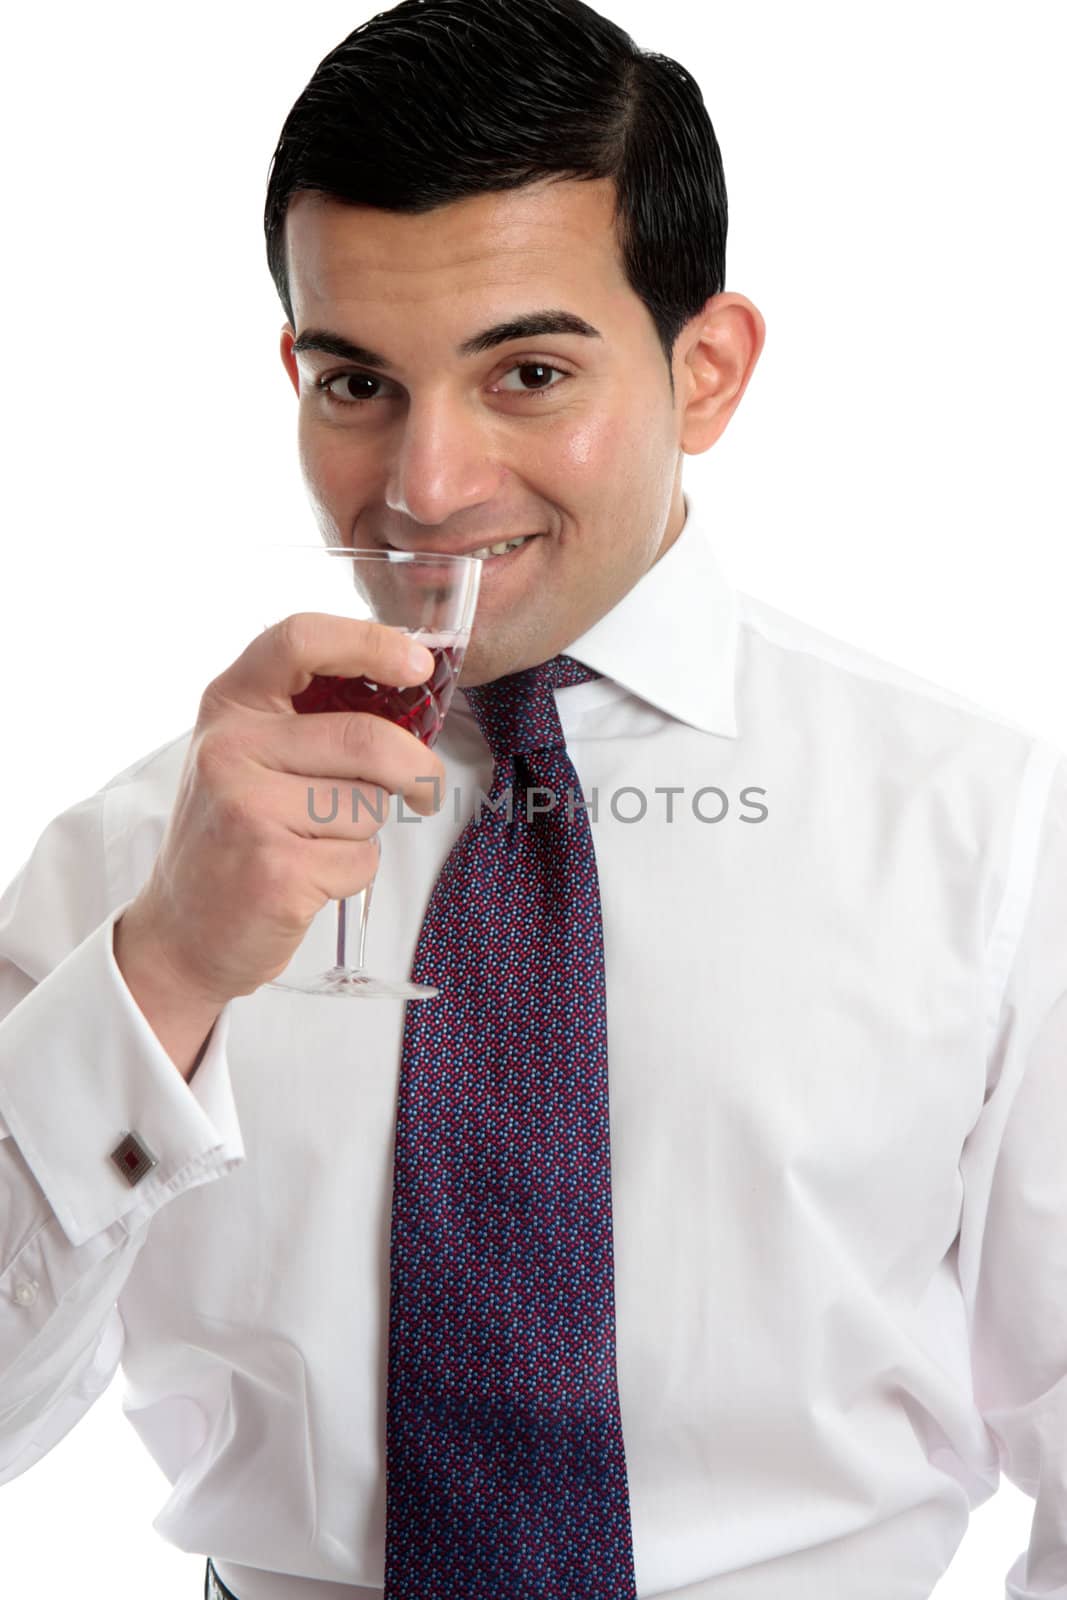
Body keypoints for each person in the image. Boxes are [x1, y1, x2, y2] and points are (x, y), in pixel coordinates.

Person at [1, 0, 1064, 1596]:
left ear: (706, 373)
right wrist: (163, 975)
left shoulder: (988, 834)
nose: (425, 486)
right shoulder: (140, 857)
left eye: (529, 373)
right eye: (358, 383)